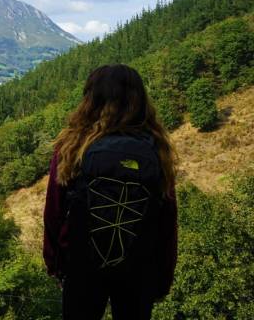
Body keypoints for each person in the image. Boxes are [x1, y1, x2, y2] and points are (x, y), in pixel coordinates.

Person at [43, 64, 178, 320]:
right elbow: (167, 219)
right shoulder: (156, 149)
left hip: (82, 264)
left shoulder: (73, 145)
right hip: (140, 267)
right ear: (140, 100)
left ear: (91, 99)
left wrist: (55, 263)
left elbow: (54, 211)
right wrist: (163, 277)